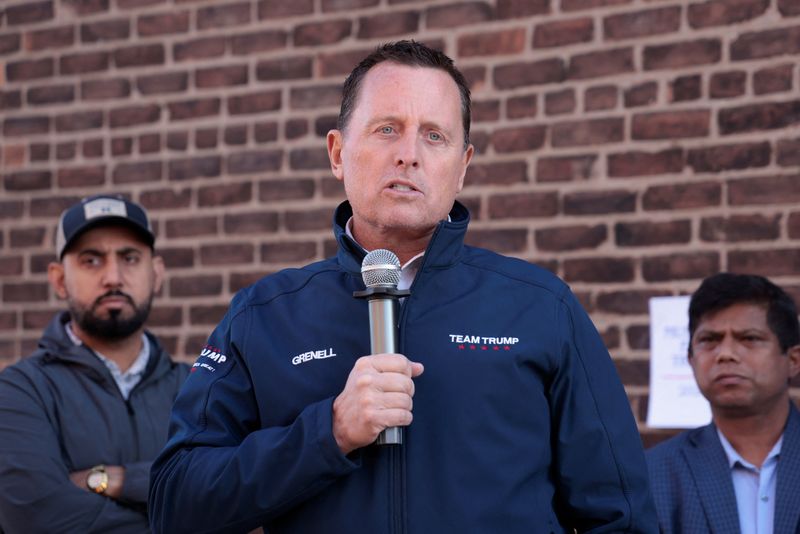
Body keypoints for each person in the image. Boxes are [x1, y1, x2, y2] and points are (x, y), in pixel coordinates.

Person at [149, 40, 657, 533]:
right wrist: (328, 433)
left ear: (462, 167)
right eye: (387, 129)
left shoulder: (541, 308)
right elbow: (176, 504)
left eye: (435, 136)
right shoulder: (263, 316)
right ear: (337, 153)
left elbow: (621, 515)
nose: (409, 155)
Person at [0, 194, 190, 533]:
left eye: (129, 258)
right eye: (91, 260)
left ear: (156, 273)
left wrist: (112, 480)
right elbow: (39, 519)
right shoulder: (21, 391)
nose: (113, 277)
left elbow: (230, 493)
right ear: (59, 279)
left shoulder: (195, 388)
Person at [646, 273, 800, 533]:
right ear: (691, 360)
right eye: (709, 340)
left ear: (793, 360)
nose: (725, 354)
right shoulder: (655, 473)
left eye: (749, 338)